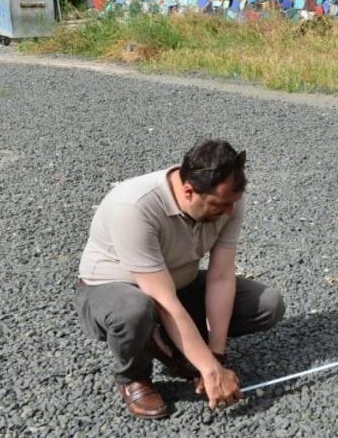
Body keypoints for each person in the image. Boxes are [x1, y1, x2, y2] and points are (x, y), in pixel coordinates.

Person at [75, 140, 286, 419]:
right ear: (189, 191)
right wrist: (210, 372)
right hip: (115, 290)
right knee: (135, 311)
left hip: (177, 284)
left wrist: (216, 355)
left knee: (267, 304)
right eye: (219, 205)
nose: (228, 213)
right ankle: (133, 377)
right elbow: (162, 300)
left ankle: (167, 339)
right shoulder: (134, 206)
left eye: (232, 204)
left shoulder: (227, 198)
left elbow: (221, 277)